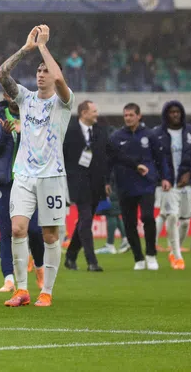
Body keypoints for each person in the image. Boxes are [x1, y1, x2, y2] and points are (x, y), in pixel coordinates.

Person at [0, 25, 73, 308]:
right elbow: (1, 74)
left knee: (50, 235)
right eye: (38, 71)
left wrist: (43, 46)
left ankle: (47, 292)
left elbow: (61, 79)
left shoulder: (63, 102)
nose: (41, 74)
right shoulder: (25, 98)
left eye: (46, 71)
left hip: (52, 176)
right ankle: (22, 290)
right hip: (25, 176)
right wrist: (26, 49)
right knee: (17, 229)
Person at [0, 93, 45, 294]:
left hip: (28, 180)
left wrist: (22, 133)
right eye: (8, 93)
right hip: (3, 181)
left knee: (35, 230)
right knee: (6, 230)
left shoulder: (33, 115)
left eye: (15, 93)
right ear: (4, 95)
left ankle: (39, 267)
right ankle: (9, 278)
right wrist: (4, 133)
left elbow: (41, 147)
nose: (12, 97)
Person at [106, 103, 170, 271]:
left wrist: (165, 178)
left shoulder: (150, 135)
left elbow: (160, 158)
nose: (128, 118)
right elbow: (109, 161)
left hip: (146, 184)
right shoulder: (116, 137)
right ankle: (138, 258)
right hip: (125, 185)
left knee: (148, 217)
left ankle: (151, 255)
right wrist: (106, 181)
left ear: (139, 116)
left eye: (131, 115)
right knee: (129, 223)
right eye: (125, 115)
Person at [151, 101, 191, 270]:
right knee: (171, 216)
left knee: (185, 222)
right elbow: (152, 159)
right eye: (171, 112)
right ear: (166, 114)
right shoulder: (156, 134)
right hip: (167, 184)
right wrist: (161, 177)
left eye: (178, 111)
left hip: (186, 185)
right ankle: (177, 256)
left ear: (182, 113)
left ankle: (172, 250)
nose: (175, 114)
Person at [63, 100, 108, 272]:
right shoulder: (70, 132)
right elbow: (62, 156)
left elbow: (108, 154)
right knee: (86, 220)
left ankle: (70, 256)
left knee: (83, 221)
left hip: (96, 185)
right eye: (94, 111)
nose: (97, 114)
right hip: (77, 185)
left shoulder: (99, 131)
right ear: (84, 113)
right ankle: (92, 262)